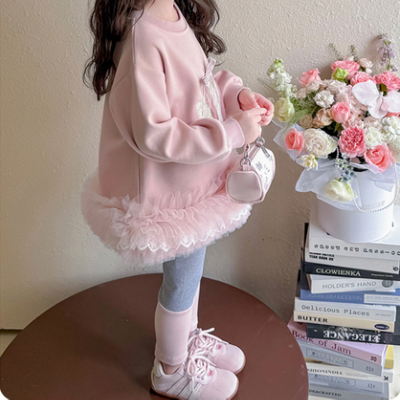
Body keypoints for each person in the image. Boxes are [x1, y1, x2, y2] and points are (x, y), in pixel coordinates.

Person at [82, 0, 274, 398]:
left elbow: (198, 87)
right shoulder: (144, 36)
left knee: (190, 272)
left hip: (191, 180)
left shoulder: (172, 14)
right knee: (182, 279)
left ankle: (186, 341)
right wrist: (233, 133)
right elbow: (154, 133)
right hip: (168, 194)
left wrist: (237, 96)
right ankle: (170, 368)